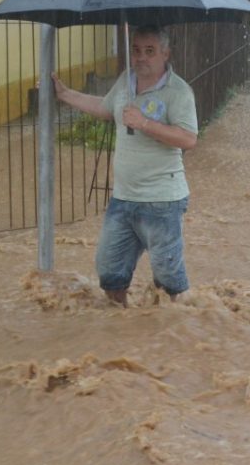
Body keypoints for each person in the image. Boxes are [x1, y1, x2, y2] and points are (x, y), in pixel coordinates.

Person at [51, 26, 199, 307]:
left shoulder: (178, 91)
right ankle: (122, 329)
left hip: (162, 201)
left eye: (150, 51)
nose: (141, 57)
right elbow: (105, 107)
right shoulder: (125, 81)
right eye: (136, 50)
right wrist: (66, 94)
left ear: (165, 53)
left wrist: (144, 123)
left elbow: (188, 138)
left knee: (168, 283)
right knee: (110, 273)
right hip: (123, 198)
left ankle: (171, 337)